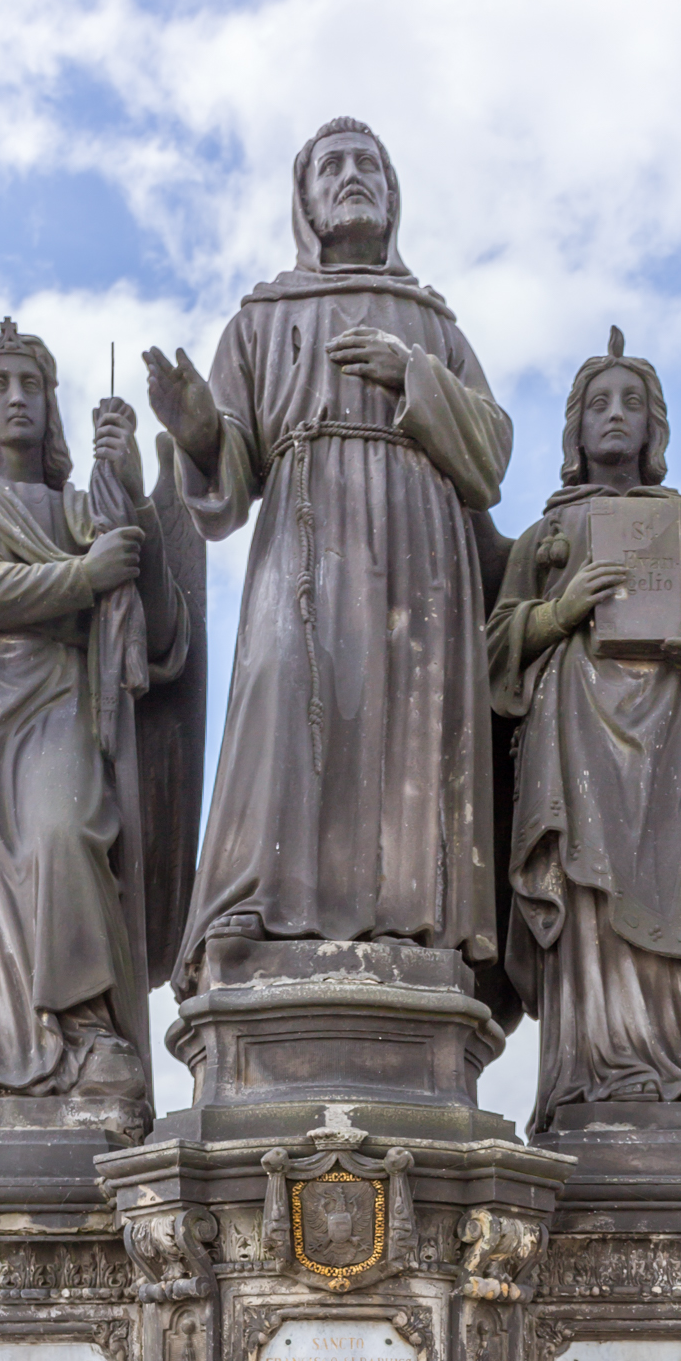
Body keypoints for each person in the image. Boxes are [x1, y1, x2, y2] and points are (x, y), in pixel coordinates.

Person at [145, 117, 511, 992]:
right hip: (305, 531)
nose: (353, 177)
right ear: (303, 200)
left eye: (369, 164)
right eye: (333, 167)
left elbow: (491, 454)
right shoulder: (263, 318)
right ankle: (259, 907)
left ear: (393, 193)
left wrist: (411, 374)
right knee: (285, 696)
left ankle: (409, 923)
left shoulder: (432, 322)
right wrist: (199, 429)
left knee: (406, 722)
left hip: (420, 550)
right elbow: (227, 485)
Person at [0, 320, 193, 1115]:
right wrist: (80, 579)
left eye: (33, 385)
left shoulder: (83, 509)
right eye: (0, 385)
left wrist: (133, 504)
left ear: (53, 404)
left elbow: (155, 640)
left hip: (56, 698)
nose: (17, 399)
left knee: (63, 836)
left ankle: (86, 1032)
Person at [487, 332, 681, 1133]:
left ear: (656, 431)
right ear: (575, 431)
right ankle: (603, 1072)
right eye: (598, 403)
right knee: (592, 906)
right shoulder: (546, 539)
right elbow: (493, 649)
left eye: (634, 403)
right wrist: (560, 609)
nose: (616, 416)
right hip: (580, 741)